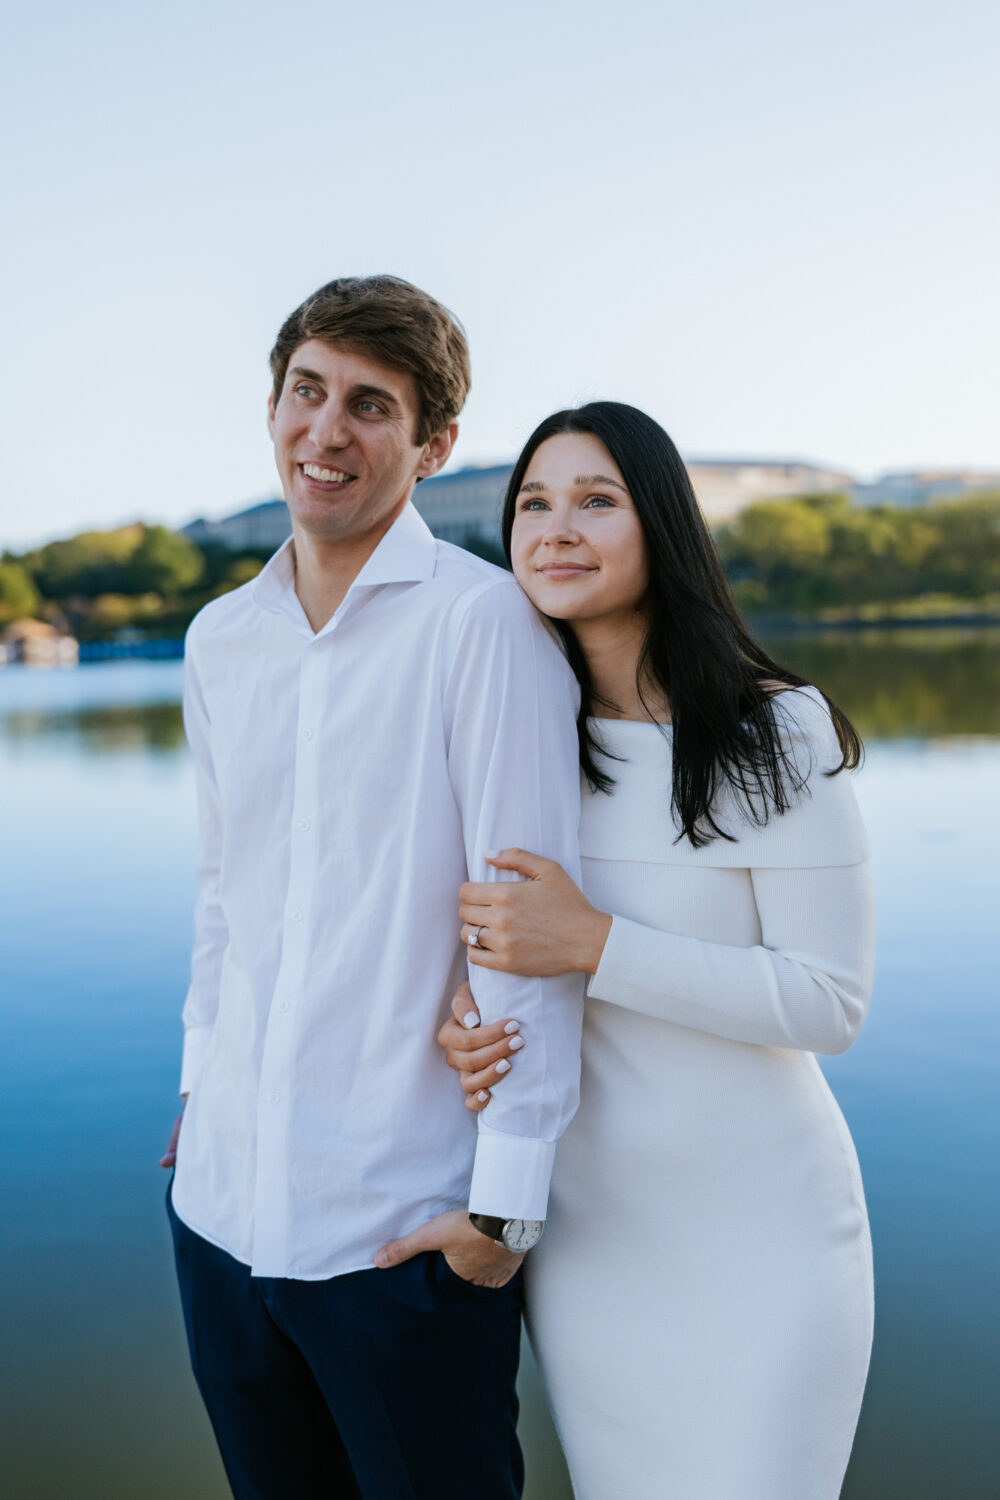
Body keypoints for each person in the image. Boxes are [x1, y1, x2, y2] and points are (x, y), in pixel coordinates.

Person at [378, 402, 876, 1499]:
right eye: (533, 505)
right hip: (591, 1240)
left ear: (661, 526)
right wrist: (465, 1032)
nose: (555, 529)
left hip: (764, 1231)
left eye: (595, 501)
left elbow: (828, 1003)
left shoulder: (772, 731)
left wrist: (595, 943)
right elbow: (492, 954)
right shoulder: (515, 736)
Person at [159, 275, 586, 1500]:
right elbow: (219, 893)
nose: (325, 431)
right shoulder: (216, 641)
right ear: (275, 405)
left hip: (400, 1233)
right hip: (222, 1212)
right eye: (306, 392)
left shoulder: (483, 624)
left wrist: (504, 1217)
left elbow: (524, 930)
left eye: (370, 405)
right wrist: (195, 1100)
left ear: (433, 444)